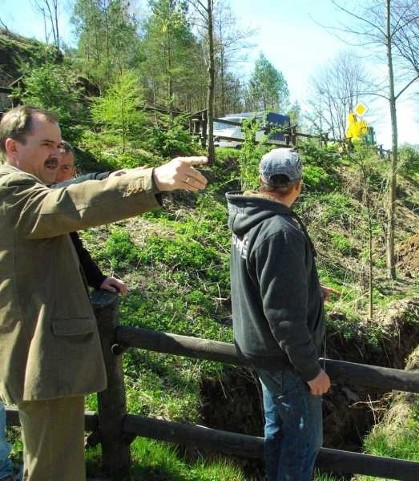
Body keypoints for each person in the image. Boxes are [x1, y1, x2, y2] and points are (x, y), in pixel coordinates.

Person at [0, 105, 208, 481]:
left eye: (59, 144)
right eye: (46, 144)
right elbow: (69, 203)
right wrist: (152, 181)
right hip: (42, 358)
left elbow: (71, 193)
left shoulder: (21, 189)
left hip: (41, 356)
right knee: (55, 470)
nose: (56, 153)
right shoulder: (13, 188)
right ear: (13, 148)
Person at [226, 148, 331, 481]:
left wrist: (310, 289)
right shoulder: (280, 231)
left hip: (259, 349)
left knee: (279, 434)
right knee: (303, 443)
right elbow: (283, 317)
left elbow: (262, 281)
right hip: (285, 361)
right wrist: (311, 371)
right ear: (298, 185)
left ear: (261, 182)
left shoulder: (249, 219)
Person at [55, 140, 127, 294]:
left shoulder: (62, 210)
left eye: (65, 168)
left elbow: (73, 245)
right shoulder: (32, 197)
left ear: (72, 172)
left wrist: (98, 279)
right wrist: (103, 178)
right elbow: (54, 191)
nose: (57, 174)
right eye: (51, 166)